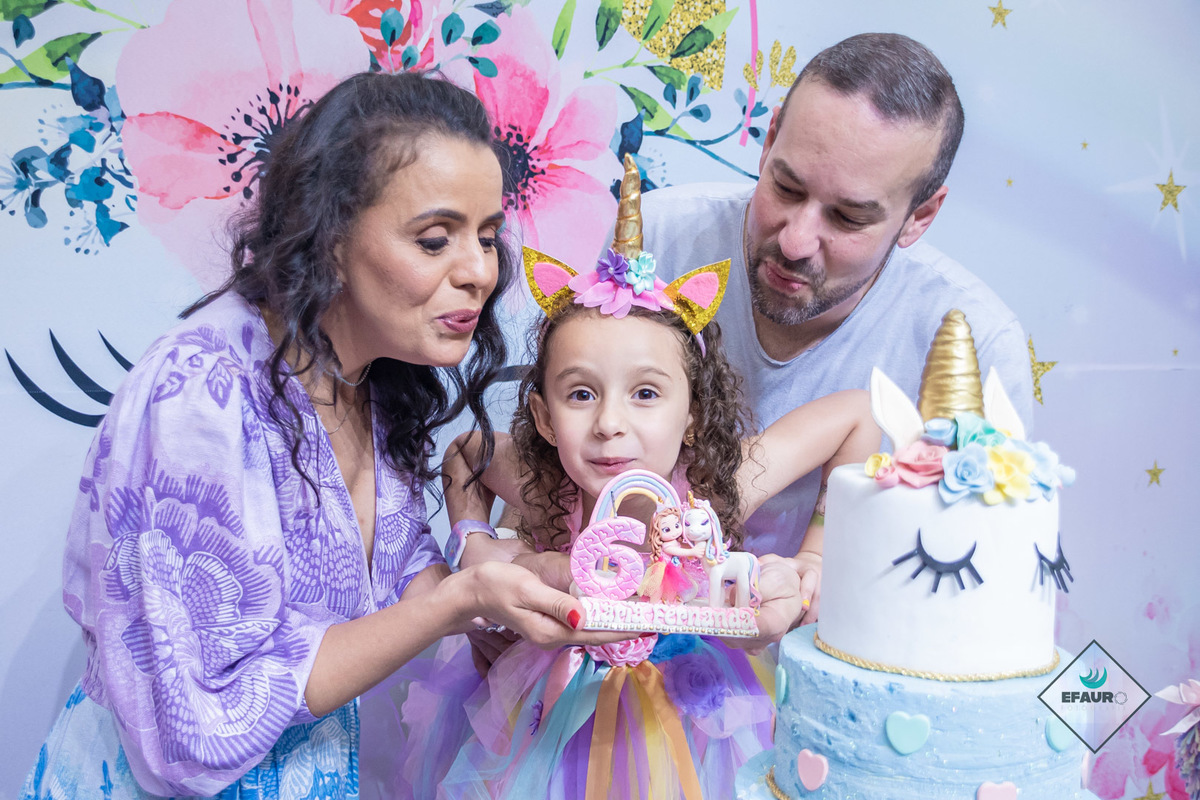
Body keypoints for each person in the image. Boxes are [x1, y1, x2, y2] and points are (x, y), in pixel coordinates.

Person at [19, 71, 623, 800]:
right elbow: (190, 726)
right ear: (331, 238)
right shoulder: (198, 393)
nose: (478, 272)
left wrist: (516, 579)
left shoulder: (370, 379)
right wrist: (457, 602)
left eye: (488, 238)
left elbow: (394, 580)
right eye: (436, 240)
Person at [400, 162, 878, 799]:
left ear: (693, 415)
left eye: (646, 393)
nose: (609, 424)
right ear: (543, 417)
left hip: (691, 719)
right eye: (581, 394)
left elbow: (859, 416)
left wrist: (813, 558)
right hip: (550, 717)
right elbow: (464, 455)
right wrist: (476, 546)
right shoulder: (546, 486)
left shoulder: (716, 487)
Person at [639, 32, 1035, 598]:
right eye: (786, 187)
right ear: (769, 141)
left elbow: (976, 587)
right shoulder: (654, 244)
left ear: (920, 216)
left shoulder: (977, 348)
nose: (795, 241)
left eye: (848, 219)